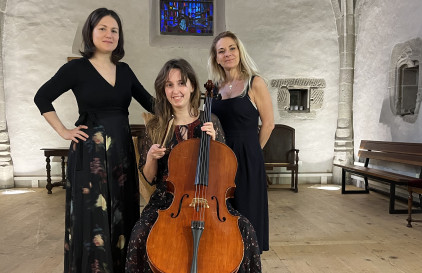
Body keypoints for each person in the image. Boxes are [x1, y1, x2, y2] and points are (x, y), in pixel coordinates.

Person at [34, 8, 154, 273]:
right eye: (102, 28)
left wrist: (187, 104)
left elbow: (152, 104)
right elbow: (42, 97)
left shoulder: (125, 71)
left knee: (123, 211)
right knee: (92, 217)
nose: (109, 34)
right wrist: (64, 131)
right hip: (90, 155)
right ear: (90, 32)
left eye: (114, 30)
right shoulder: (75, 68)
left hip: (121, 155)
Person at [125, 58, 261, 272]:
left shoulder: (211, 121)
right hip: (168, 200)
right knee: (140, 232)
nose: (176, 90)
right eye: (169, 85)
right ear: (163, 90)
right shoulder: (155, 126)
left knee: (246, 230)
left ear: (192, 87)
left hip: (209, 197)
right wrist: (151, 157)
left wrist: (215, 143)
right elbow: (149, 177)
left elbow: (225, 170)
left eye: (181, 83)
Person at [208, 31, 275, 253]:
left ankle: (249, 259)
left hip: (247, 155)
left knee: (247, 209)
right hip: (220, 156)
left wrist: (254, 151)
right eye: (222, 51)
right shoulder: (215, 89)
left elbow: (268, 124)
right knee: (225, 209)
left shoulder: (255, 83)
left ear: (240, 51)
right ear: (216, 58)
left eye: (232, 48)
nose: (228, 54)